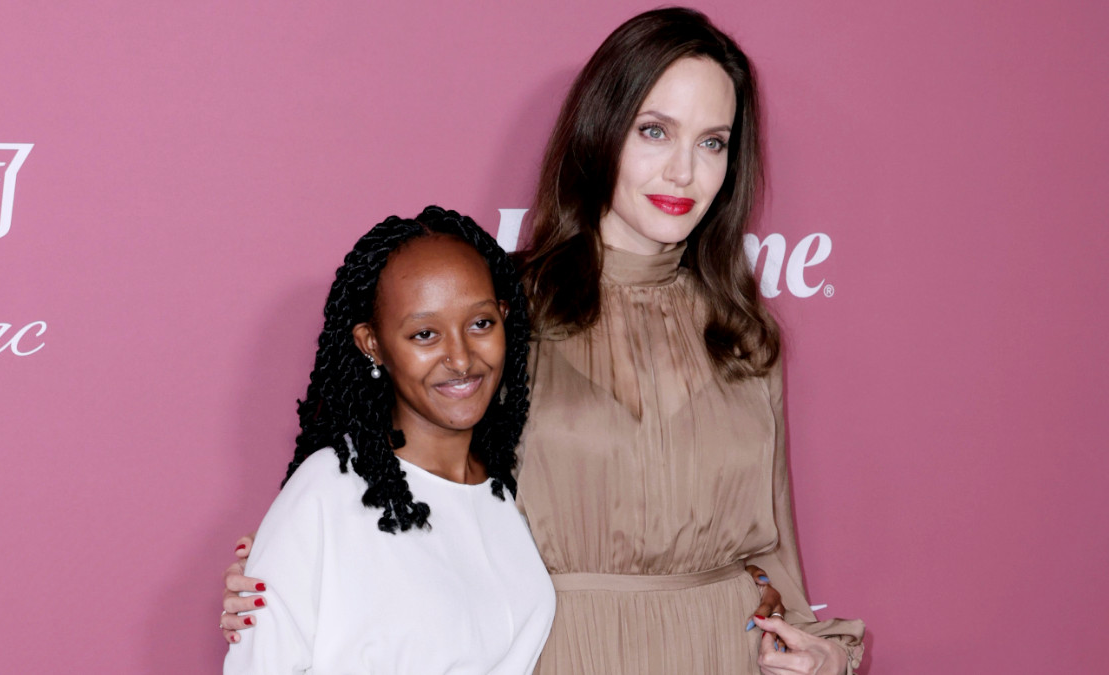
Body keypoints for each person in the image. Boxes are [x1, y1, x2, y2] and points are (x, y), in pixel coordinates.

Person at [223, 8, 865, 674]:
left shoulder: (746, 331)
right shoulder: (504, 314)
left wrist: (824, 657)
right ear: (601, 130)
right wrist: (278, 587)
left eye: (713, 143)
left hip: (726, 656)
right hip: (562, 655)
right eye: (654, 131)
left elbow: (778, 557)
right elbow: (403, 498)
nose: (683, 172)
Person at [222, 206, 555, 674]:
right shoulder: (327, 491)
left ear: (505, 318)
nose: (461, 358)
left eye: (480, 324)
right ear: (371, 343)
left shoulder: (513, 493)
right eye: (425, 334)